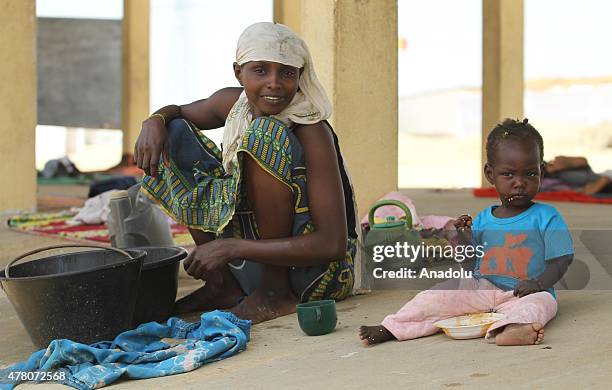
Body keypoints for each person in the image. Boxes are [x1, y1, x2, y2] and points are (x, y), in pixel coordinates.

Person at [134, 22, 358, 324]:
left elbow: (332, 244)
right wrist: (154, 121)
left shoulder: (311, 130)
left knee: (266, 134)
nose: (274, 83)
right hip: (246, 267)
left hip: (315, 276)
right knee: (172, 132)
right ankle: (221, 285)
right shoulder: (235, 104)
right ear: (239, 72)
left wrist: (232, 247)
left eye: (287, 73)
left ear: (300, 77)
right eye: (260, 70)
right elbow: (178, 113)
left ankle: (273, 293)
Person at [359, 118, 574, 346]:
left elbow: (562, 260)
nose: (519, 183)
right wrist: (462, 241)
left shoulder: (547, 217)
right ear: (491, 174)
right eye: (509, 175)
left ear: (542, 171)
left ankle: (513, 329)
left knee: (542, 304)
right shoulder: (482, 219)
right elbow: (471, 267)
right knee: (436, 295)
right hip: (481, 289)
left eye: (530, 174)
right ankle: (394, 326)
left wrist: (539, 284)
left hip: (525, 294)